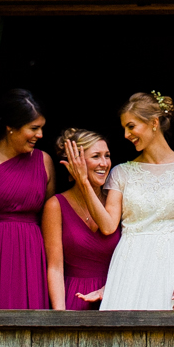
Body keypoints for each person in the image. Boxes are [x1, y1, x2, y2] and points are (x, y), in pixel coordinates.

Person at [98, 92, 174, 311]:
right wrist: (82, 180)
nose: (126, 135)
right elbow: (108, 225)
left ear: (154, 122)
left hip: (172, 261)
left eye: (131, 126)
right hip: (129, 262)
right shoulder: (121, 173)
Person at [0, 89, 52, 309]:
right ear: (11, 128)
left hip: (32, 257)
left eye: (42, 128)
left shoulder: (44, 162)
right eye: (34, 128)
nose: (40, 135)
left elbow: (51, 221)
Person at [43, 128, 121, 310]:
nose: (104, 163)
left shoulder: (115, 200)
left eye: (107, 156)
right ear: (76, 162)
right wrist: (60, 315)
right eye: (96, 156)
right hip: (73, 298)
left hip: (114, 296)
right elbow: (55, 268)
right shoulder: (56, 205)